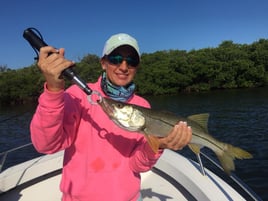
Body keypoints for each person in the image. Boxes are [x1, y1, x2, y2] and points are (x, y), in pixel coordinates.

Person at [30, 33, 192, 201]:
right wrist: (54, 90)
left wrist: (159, 145)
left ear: (137, 67)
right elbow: (46, 145)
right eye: (115, 58)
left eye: (131, 61)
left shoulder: (142, 105)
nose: (123, 66)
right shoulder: (76, 95)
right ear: (103, 63)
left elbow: (137, 165)